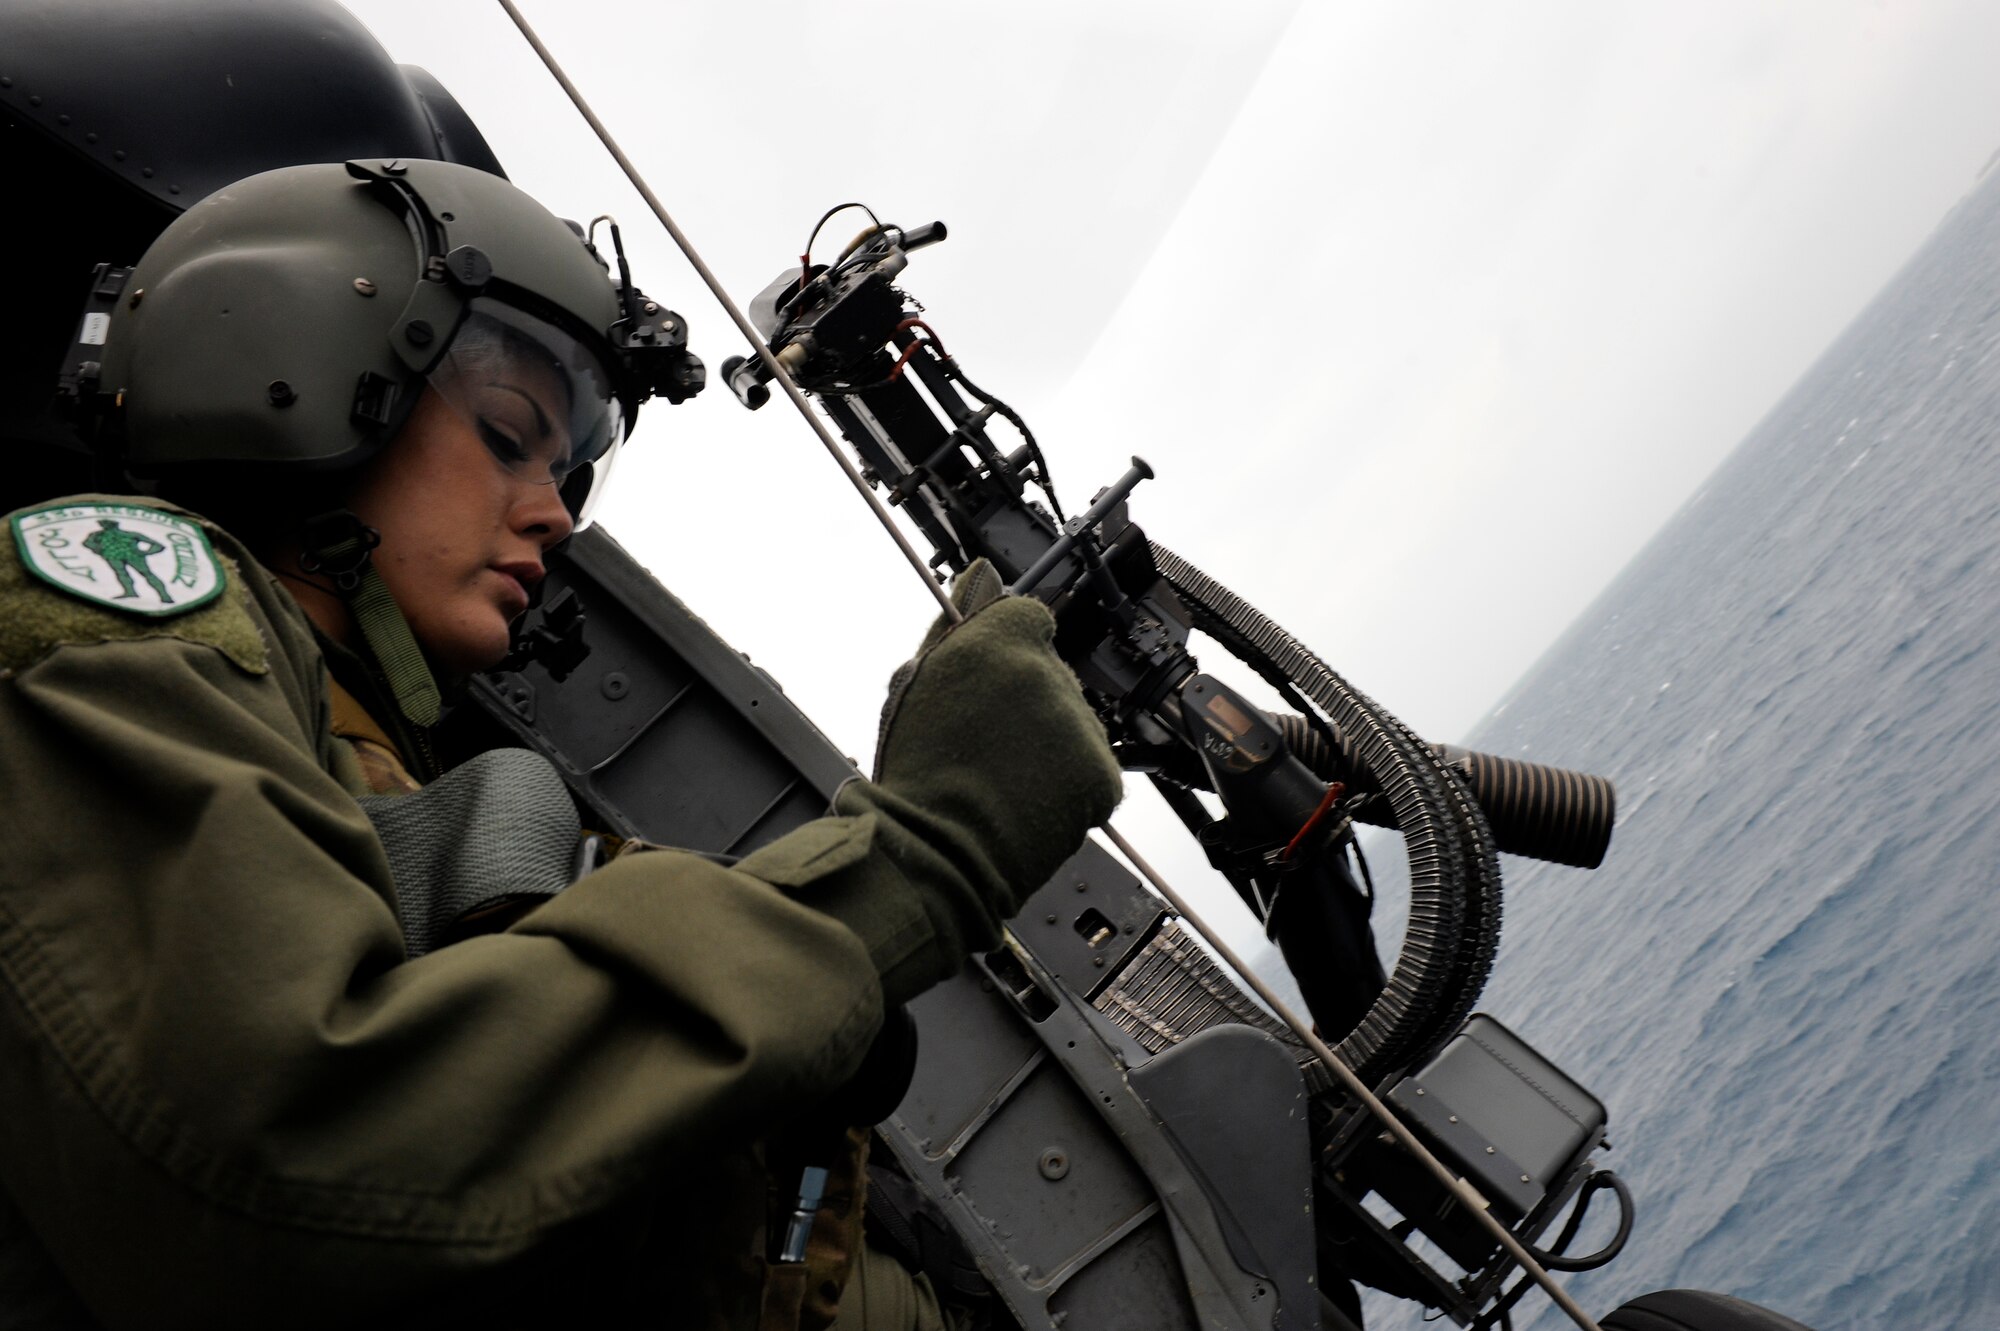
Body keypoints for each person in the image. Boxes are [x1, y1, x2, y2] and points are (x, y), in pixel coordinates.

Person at [0, 157, 1123, 1329]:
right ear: (306, 369)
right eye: (507, 433)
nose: (555, 510)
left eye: (571, 471)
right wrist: (910, 863)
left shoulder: (365, 763)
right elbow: (275, 1173)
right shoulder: (109, 605)